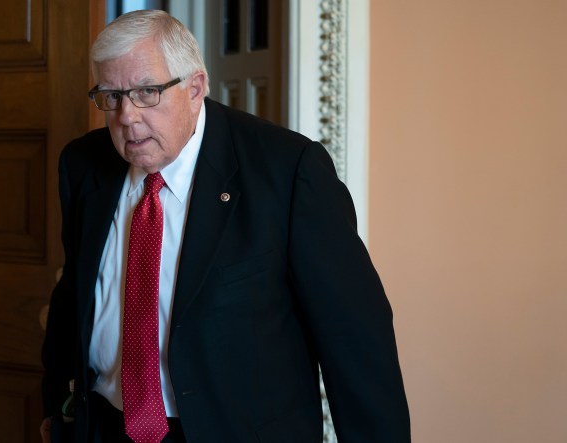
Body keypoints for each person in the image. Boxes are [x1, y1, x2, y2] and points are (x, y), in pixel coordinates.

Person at [40, 9, 410, 443]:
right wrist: (55, 411)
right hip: (103, 427)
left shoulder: (287, 172)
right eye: (112, 96)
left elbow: (355, 339)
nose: (126, 117)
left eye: (146, 92)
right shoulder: (83, 165)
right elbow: (74, 299)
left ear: (195, 87)